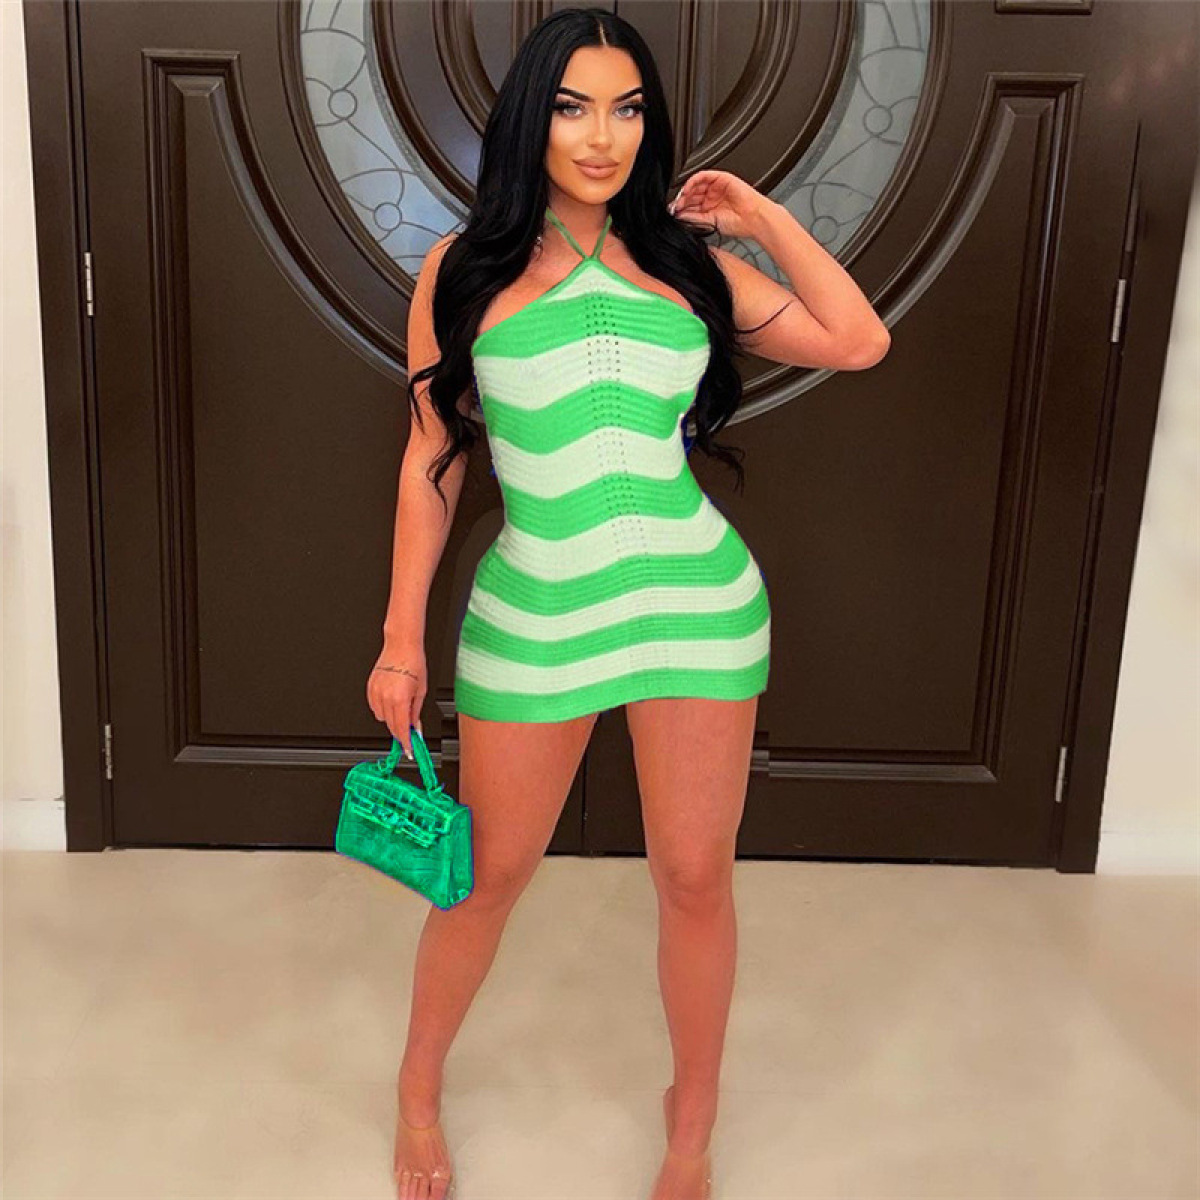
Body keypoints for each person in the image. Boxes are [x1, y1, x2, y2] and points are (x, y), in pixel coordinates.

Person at [367, 9, 890, 1198]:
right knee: (486, 879)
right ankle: (416, 1093)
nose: (601, 137)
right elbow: (429, 457)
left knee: (696, 881)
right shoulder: (463, 270)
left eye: (627, 109)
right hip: (534, 616)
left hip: (698, 609)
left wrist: (759, 216)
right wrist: (401, 641)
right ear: (531, 121)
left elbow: (857, 340)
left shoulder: (689, 264)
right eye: (572, 107)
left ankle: (690, 1131)